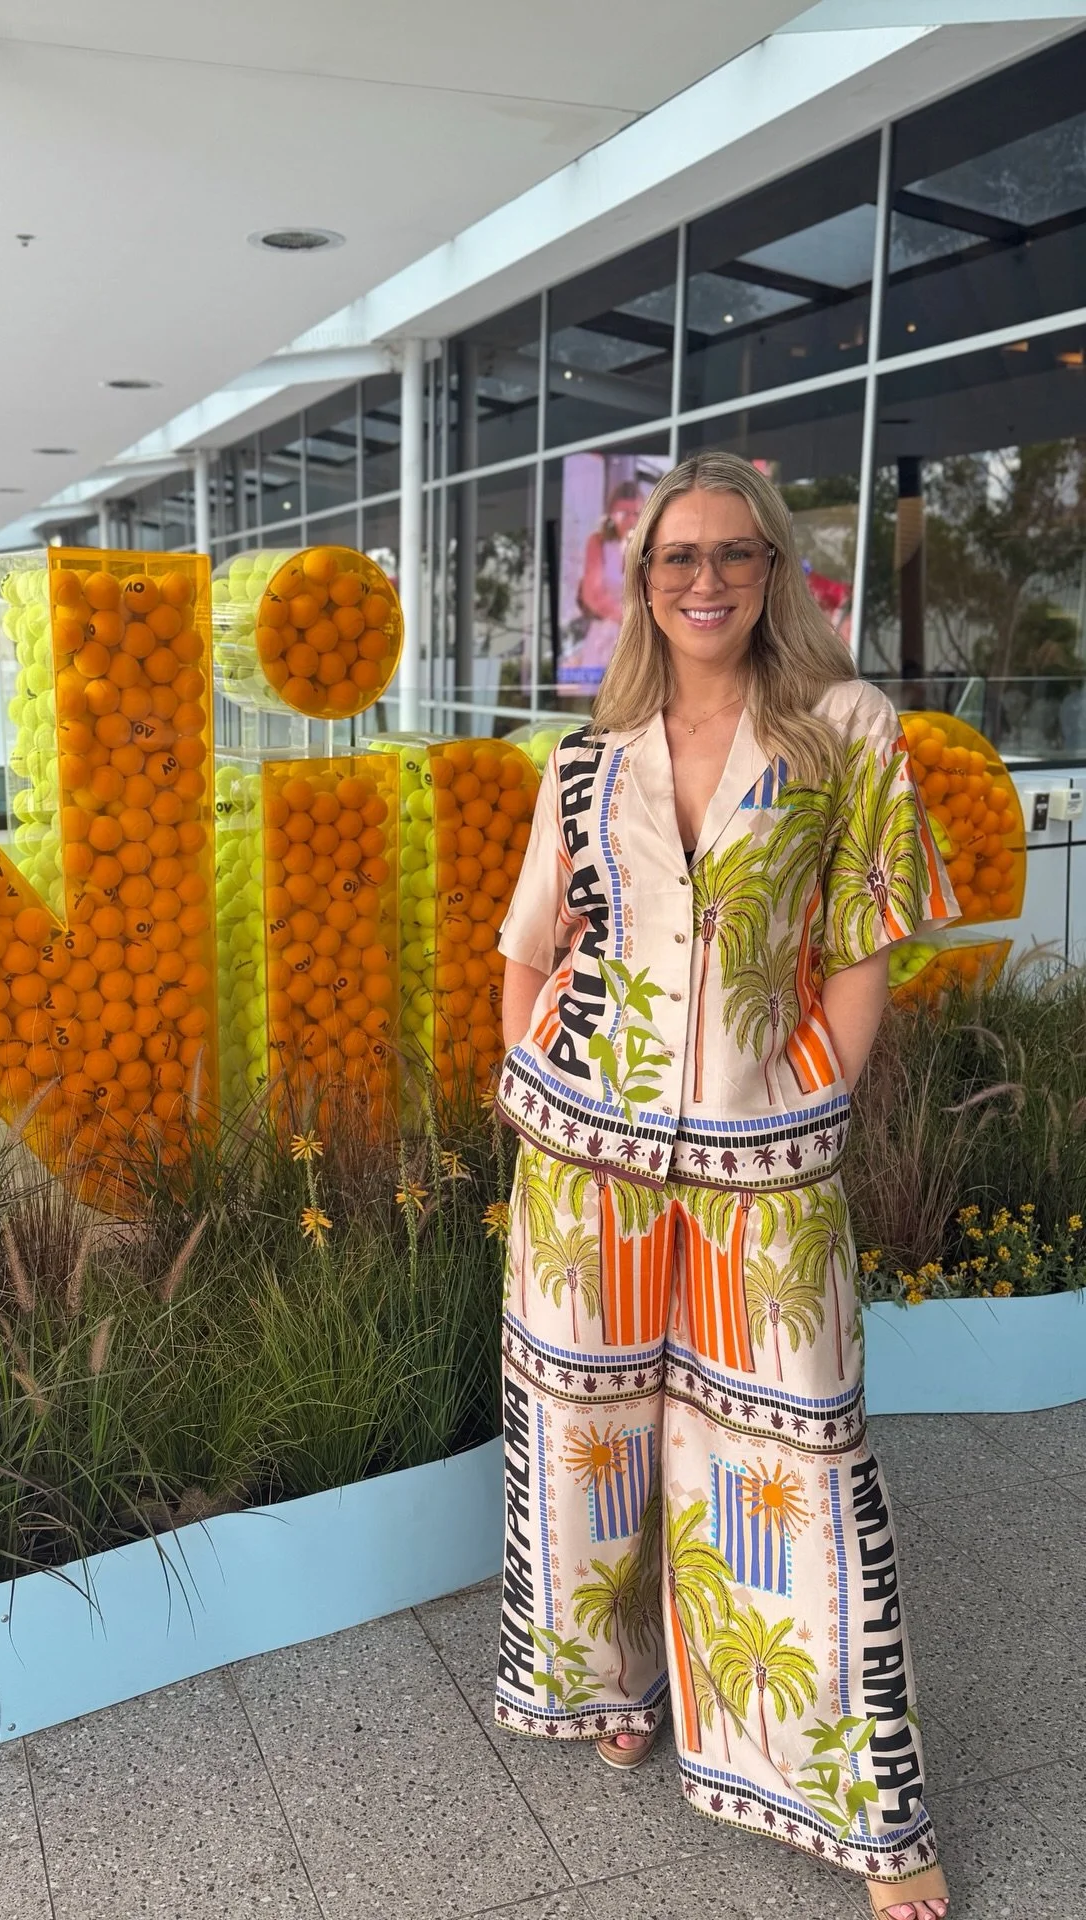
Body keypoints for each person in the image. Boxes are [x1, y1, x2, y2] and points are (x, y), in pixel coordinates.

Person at [494, 451, 954, 1919]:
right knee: (593, 1439)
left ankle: (868, 1815)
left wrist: (815, 1081)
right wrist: (540, 1090)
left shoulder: (842, 732)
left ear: (776, 573)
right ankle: (613, 1680)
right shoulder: (588, 757)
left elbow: (871, 934)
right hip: (589, 1166)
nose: (705, 580)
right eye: (676, 556)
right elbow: (527, 943)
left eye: (734, 555)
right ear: (643, 583)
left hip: (769, 1165)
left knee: (796, 1466)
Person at [562, 481, 643, 688]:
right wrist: (627, 618)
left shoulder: (647, 545)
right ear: (611, 513)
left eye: (636, 513)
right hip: (607, 633)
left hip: (642, 634)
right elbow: (592, 593)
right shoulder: (599, 542)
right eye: (624, 513)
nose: (631, 520)